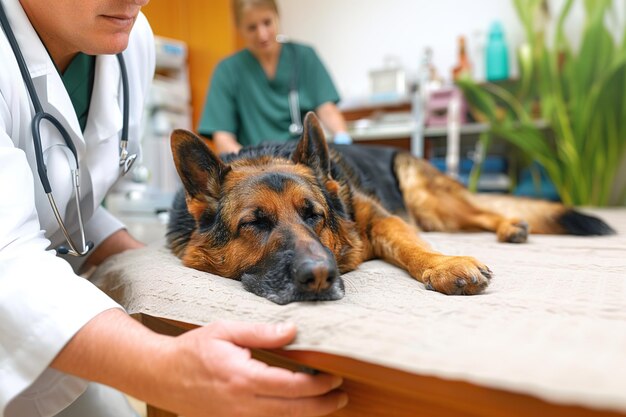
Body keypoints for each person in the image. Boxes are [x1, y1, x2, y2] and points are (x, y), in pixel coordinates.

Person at [0, 0, 348, 416]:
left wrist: (148, 265)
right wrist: (162, 367)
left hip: (54, 329)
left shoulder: (129, 36)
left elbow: (66, 200)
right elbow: (8, 257)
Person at [198, 0, 352, 155]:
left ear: (277, 17)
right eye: (252, 28)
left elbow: (327, 109)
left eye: (267, 22)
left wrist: (342, 137)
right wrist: (250, 163)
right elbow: (223, 138)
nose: (262, 34)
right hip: (257, 165)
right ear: (239, 28)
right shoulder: (227, 71)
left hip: (302, 161)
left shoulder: (304, 57)